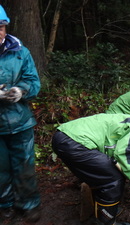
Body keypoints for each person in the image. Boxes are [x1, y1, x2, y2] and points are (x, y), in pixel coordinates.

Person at [52, 112, 130, 225]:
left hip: (66, 137)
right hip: (75, 142)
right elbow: (125, 153)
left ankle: (103, 209)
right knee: (113, 178)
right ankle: (106, 221)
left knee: (103, 174)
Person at [0, 5, 41, 223]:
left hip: (20, 122)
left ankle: (29, 204)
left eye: (0, 26)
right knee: (0, 168)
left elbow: (33, 82)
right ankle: (5, 205)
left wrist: (20, 91)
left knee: (24, 166)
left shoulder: (20, 52)